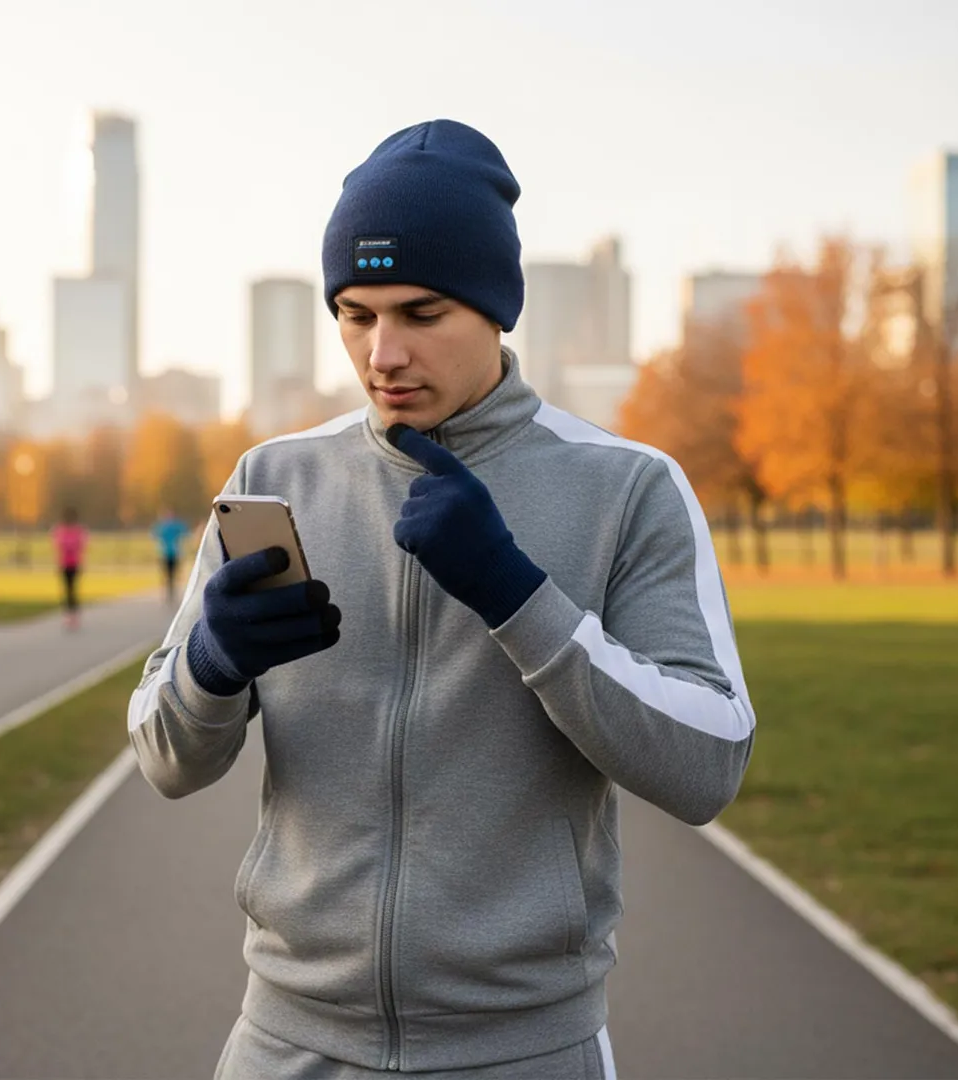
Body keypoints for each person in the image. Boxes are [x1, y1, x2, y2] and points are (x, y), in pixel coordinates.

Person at [128, 120, 756, 1080]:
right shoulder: (274, 476)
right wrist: (211, 667)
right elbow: (166, 759)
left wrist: (517, 594)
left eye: (421, 313)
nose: (383, 352)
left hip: (524, 1048)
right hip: (286, 1043)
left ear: (497, 310)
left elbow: (710, 761)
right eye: (355, 312)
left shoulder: (627, 488)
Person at [51, 506, 87, 631]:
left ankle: (74, 615)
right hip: (65, 564)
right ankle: (68, 615)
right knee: (67, 590)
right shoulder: (60, 530)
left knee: (73, 590)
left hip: (74, 564)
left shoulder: (78, 531)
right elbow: (57, 546)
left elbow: (82, 546)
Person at [151, 507, 190, 604]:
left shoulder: (174, 525)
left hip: (174, 553)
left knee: (173, 573)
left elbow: (185, 533)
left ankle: (171, 591)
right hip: (165, 553)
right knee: (167, 574)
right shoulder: (162, 526)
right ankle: (168, 591)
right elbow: (154, 535)